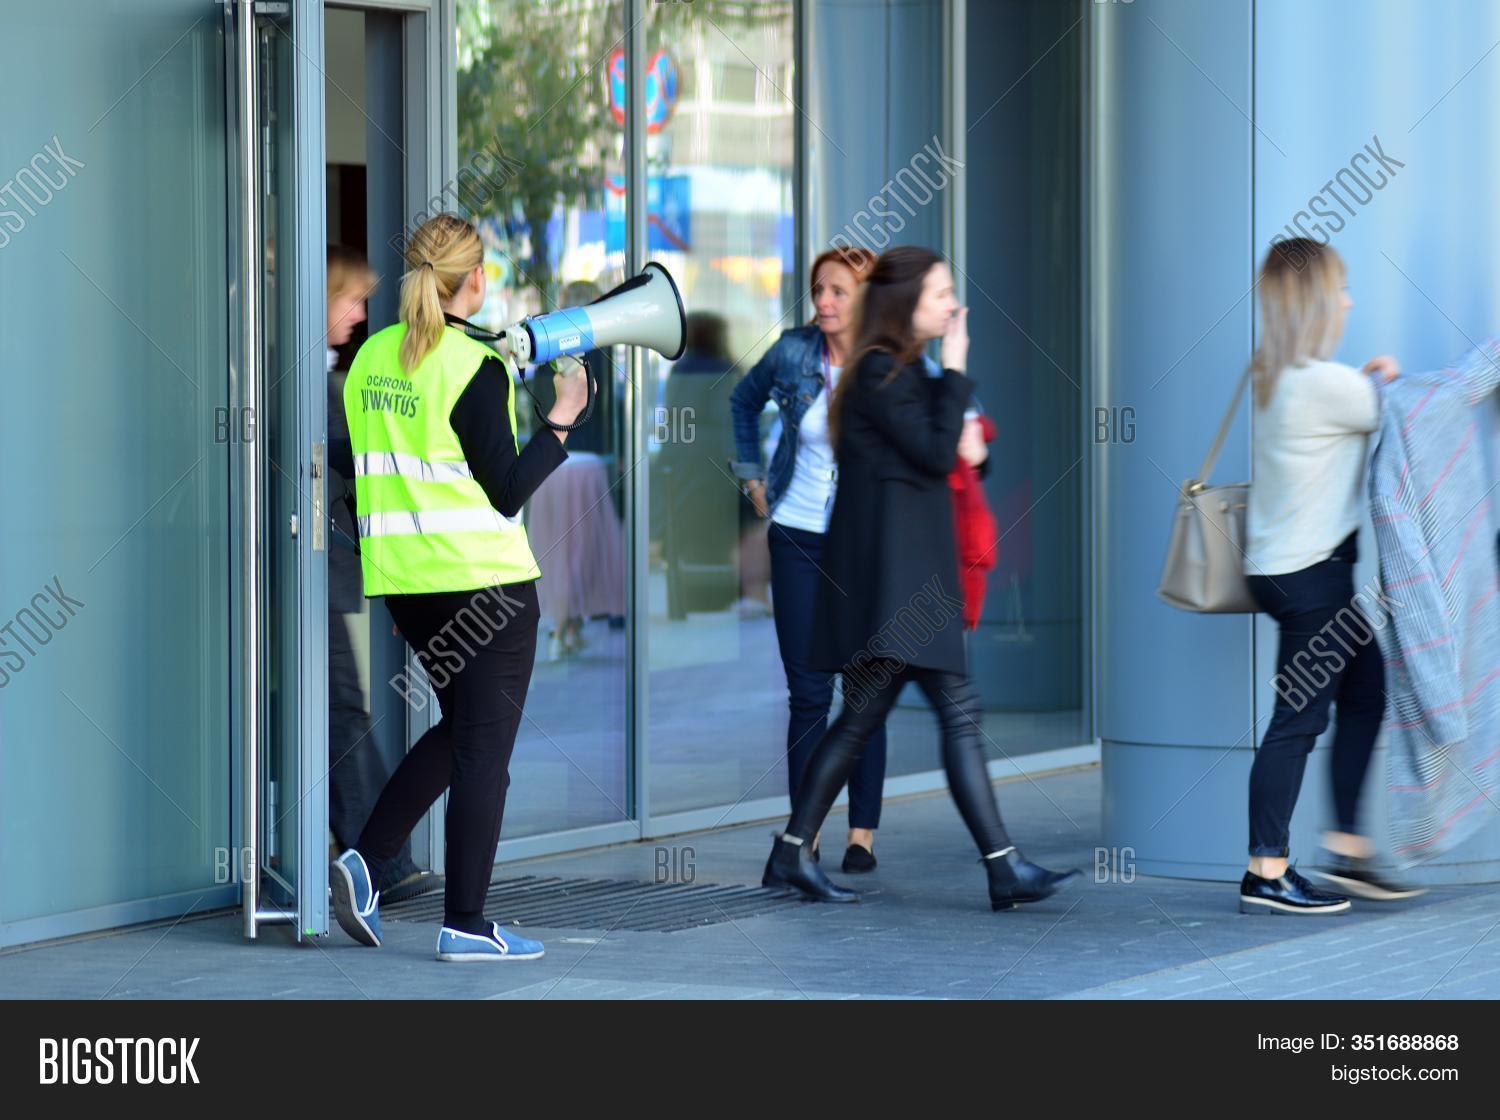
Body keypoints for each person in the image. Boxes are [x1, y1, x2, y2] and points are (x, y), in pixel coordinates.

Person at [760, 246, 1081, 909]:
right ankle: (1003, 867)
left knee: (866, 721)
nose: (952, 305)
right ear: (906, 302)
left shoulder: (897, 371)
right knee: (946, 716)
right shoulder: (878, 371)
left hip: (905, 581)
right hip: (896, 586)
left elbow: (949, 447)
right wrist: (957, 367)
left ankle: (794, 851)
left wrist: (968, 427)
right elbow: (935, 451)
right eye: (940, 293)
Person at [329, 214, 590, 960]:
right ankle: (466, 924)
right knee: (485, 754)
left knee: (463, 733)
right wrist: (563, 420)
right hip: (486, 589)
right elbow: (507, 490)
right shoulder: (474, 365)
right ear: (475, 278)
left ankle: (366, 861)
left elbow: (361, 478)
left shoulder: (371, 358)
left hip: (409, 588)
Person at [1239, 237, 1420, 915]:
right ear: (1316, 300)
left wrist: (1370, 380)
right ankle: (1266, 871)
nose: (1348, 302)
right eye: (1340, 289)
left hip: (1291, 572)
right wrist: (1389, 376)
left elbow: (1360, 399)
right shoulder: (1324, 384)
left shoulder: (1274, 373)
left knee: (1366, 691)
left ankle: (1346, 848)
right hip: (1312, 579)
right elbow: (1406, 410)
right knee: (1297, 722)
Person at [731, 248, 893, 873]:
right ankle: (805, 835)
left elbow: (946, 417)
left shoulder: (890, 360)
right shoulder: (794, 352)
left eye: (837, 291)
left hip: (862, 545)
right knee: (807, 693)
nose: (823, 301)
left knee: (864, 688)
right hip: (797, 535)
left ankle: (861, 835)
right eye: (818, 289)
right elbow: (743, 401)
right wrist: (753, 479)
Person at [323, 246, 442, 905]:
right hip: (303, 574)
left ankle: (364, 858)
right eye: (351, 299)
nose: (360, 314)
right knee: (340, 707)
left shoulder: (329, 376)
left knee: (330, 707)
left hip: (315, 571)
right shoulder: (311, 382)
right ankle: (378, 864)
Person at [524, 279, 626, 659]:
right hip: (587, 462)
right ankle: (566, 625)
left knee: (555, 549)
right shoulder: (602, 348)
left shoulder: (547, 344)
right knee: (583, 550)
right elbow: (610, 406)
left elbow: (536, 401)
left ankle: (564, 625)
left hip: (550, 460)